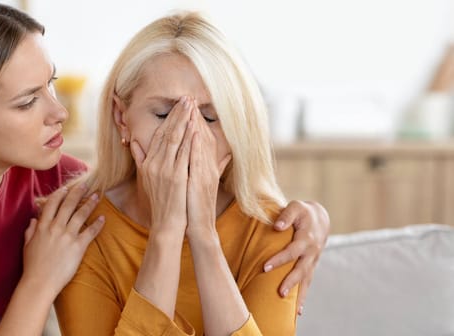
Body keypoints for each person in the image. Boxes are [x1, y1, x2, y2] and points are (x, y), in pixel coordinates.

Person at [0, 1, 328, 335]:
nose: (58, 111)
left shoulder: (60, 187)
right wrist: (38, 282)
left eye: (51, 85)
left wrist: (311, 217)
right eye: (26, 102)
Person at [55, 11, 320, 335]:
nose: (187, 135)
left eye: (210, 118)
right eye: (164, 113)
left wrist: (203, 236)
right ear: (121, 117)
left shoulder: (272, 230)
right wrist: (166, 231)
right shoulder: (80, 230)